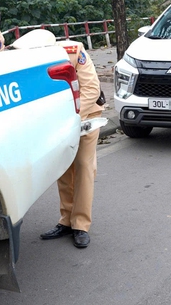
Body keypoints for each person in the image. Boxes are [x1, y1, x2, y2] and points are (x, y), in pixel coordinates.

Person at [40, 39, 104, 248]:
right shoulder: (33, 61)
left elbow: (92, 90)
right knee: (64, 169)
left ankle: (81, 224)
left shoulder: (74, 52)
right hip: (60, 122)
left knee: (84, 167)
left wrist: (71, 118)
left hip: (86, 117)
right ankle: (66, 220)